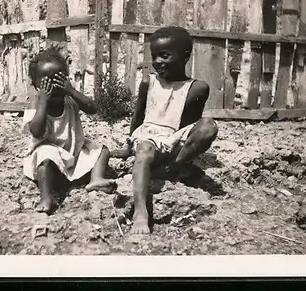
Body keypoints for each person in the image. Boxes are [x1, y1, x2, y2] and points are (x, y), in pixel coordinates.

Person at [112, 26, 218, 234]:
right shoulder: (148, 82)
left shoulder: (197, 88)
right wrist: (127, 147)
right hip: (148, 136)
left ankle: (174, 168)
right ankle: (141, 211)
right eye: (155, 56)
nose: (158, 61)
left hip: (173, 138)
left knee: (208, 126)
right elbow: (138, 116)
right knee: (144, 149)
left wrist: (179, 151)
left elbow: (189, 125)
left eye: (165, 56)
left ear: (185, 56)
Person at [22, 47, 117, 214]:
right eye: (47, 83)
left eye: (59, 80)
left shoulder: (69, 99)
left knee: (101, 150)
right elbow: (36, 131)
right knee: (45, 156)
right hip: (49, 159)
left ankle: (96, 179)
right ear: (35, 83)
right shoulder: (36, 104)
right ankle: (47, 196)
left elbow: (93, 108)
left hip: (74, 153)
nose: (54, 87)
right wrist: (43, 103)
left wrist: (72, 91)